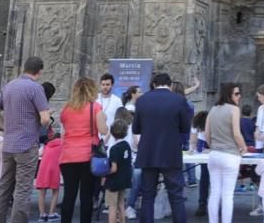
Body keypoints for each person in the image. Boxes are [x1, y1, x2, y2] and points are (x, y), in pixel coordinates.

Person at [0, 56, 52, 223]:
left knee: (4, 187)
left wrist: (6, 128)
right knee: (22, 190)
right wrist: (49, 120)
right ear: (39, 71)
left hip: (9, 144)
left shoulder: (9, 86)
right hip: (27, 144)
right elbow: (44, 119)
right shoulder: (36, 88)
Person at [133, 71, 193, 223]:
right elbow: (186, 127)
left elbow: (136, 129)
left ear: (153, 84)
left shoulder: (142, 100)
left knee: (147, 195)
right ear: (170, 84)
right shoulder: (179, 100)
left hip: (148, 153)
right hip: (171, 153)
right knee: (176, 196)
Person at [59, 77, 108, 223]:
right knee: (86, 196)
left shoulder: (66, 108)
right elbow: (103, 130)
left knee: (69, 195)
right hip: (88, 156)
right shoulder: (96, 107)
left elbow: (64, 130)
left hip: (67, 155)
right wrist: (105, 122)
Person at [206, 82, 249, 223]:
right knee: (227, 195)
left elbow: (207, 133)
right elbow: (237, 134)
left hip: (214, 154)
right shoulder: (234, 110)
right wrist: (244, 147)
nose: (239, 96)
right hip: (230, 155)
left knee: (214, 193)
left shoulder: (213, 109)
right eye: (236, 94)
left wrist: (213, 145)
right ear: (229, 94)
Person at [107, 119, 135, 223]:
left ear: (113, 132)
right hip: (124, 179)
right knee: (121, 203)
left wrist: (105, 173)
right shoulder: (127, 145)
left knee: (112, 206)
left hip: (114, 181)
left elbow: (114, 168)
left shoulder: (114, 149)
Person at [35, 129, 62, 222]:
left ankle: (42, 214)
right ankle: (51, 214)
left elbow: (39, 154)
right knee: (55, 191)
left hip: (43, 168)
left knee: (42, 192)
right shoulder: (62, 144)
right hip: (55, 168)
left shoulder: (47, 145)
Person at [98, 74, 124, 138]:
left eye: (107, 85)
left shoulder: (117, 101)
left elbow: (120, 120)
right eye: (103, 84)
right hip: (95, 138)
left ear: (112, 85)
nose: (105, 87)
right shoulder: (94, 99)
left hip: (111, 138)